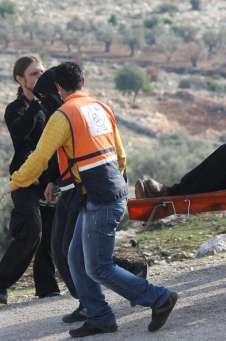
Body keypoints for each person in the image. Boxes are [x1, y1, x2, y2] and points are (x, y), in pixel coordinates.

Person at [0, 62, 177, 337]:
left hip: (99, 197)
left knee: (98, 266)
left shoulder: (63, 115)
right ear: (82, 81)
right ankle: (99, 316)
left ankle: (158, 298)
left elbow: (38, 158)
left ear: (59, 87)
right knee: (76, 259)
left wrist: (13, 184)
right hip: (108, 191)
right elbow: (121, 154)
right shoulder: (100, 107)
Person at [33, 69, 148, 324]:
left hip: (87, 189)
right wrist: (54, 181)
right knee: (68, 251)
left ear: (55, 89)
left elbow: (66, 154)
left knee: (73, 253)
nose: (43, 101)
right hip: (76, 187)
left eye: (44, 96)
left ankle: (138, 292)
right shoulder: (64, 110)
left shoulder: (67, 113)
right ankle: (91, 304)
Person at [0, 56, 60, 305]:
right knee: (31, 230)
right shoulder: (15, 109)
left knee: (50, 233)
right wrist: (36, 104)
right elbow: (21, 132)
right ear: (20, 79)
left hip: (49, 179)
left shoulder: (53, 105)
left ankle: (46, 287)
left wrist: (54, 179)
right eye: (34, 74)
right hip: (24, 179)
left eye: (42, 73)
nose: (40, 77)